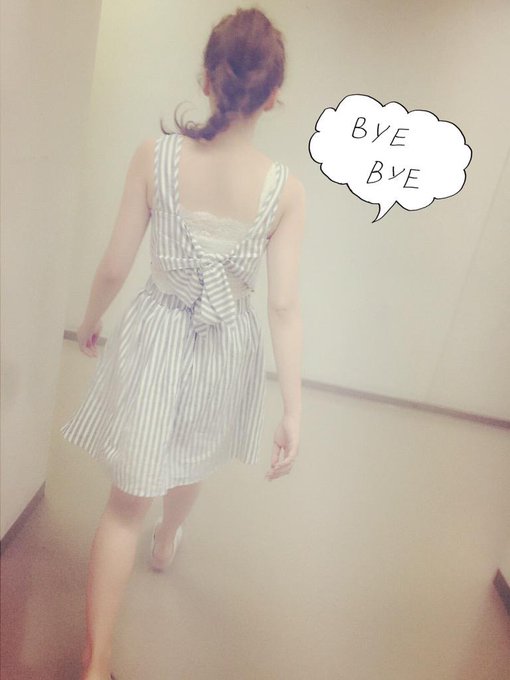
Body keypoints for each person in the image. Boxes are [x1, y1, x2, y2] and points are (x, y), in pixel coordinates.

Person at [60, 8, 305, 680]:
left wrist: (90, 320)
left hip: (157, 331)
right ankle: (169, 537)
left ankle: (96, 661)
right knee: (194, 452)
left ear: (206, 78)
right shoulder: (286, 192)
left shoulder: (155, 155)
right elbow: (284, 306)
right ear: (274, 96)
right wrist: (293, 409)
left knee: (122, 507)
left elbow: (116, 265)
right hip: (227, 345)